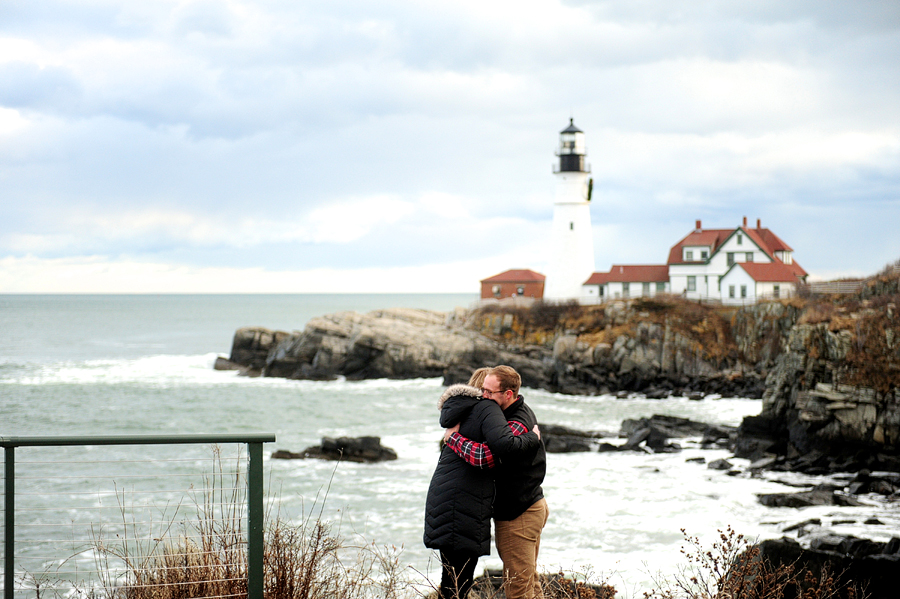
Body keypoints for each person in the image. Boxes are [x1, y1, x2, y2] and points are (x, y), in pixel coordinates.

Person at [423, 368, 541, 599]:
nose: (485, 396)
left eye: (489, 392)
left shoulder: (466, 417)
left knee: (454, 581)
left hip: (458, 506)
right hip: (467, 509)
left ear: (507, 394)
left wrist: (453, 437)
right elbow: (488, 457)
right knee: (461, 584)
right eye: (484, 391)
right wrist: (533, 437)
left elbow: (494, 452)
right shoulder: (485, 412)